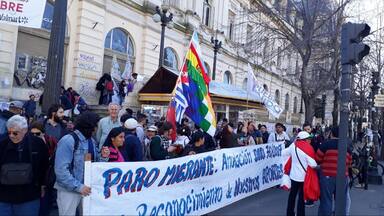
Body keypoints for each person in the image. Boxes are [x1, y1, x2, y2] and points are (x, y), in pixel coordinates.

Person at [54, 112, 109, 216]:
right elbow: (61, 170)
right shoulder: (68, 140)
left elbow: (94, 165)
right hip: (69, 190)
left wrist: (104, 157)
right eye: (96, 125)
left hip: (86, 188)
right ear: (90, 126)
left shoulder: (91, 141)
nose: (97, 129)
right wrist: (79, 187)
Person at [0, 115, 49, 216]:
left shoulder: (37, 143)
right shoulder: (2, 142)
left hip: (29, 197)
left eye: (15, 133)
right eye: (9, 132)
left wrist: (43, 185)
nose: (11, 135)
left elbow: (44, 166)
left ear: (25, 130)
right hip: (3, 197)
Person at [316, 126, 352, 216]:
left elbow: (318, 158)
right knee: (340, 200)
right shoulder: (346, 146)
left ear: (331, 134)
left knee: (326, 199)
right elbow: (349, 162)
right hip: (342, 177)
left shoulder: (325, 144)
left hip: (327, 175)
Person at [283, 131, 317, 216]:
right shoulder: (309, 148)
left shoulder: (293, 145)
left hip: (293, 176)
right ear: (305, 139)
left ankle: (289, 213)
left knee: (292, 196)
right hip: (303, 177)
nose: (310, 140)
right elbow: (313, 165)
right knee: (301, 198)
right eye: (308, 139)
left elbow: (284, 153)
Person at [29, 121, 58, 216]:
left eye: (37, 134)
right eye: (31, 134)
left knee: (45, 206)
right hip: (34, 181)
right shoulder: (28, 143)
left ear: (43, 133)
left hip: (48, 178)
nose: (34, 136)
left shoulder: (50, 141)